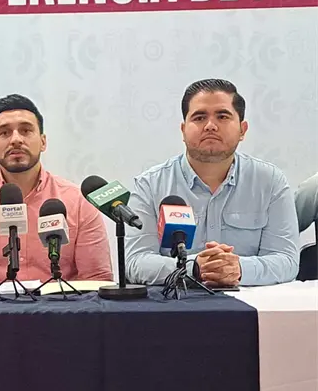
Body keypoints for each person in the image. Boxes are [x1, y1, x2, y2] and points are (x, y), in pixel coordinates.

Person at [125, 79, 299, 287]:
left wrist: (239, 269)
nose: (210, 126)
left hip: (250, 303)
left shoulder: (270, 182)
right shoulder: (150, 185)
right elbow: (135, 262)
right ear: (183, 130)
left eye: (222, 116)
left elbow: (286, 260)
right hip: (176, 302)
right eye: (199, 117)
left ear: (242, 130)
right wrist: (194, 268)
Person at [0, 94, 113, 285]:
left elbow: (96, 280)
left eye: (25, 130)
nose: (16, 139)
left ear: (43, 142)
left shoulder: (78, 202)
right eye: (4, 133)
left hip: (57, 304)